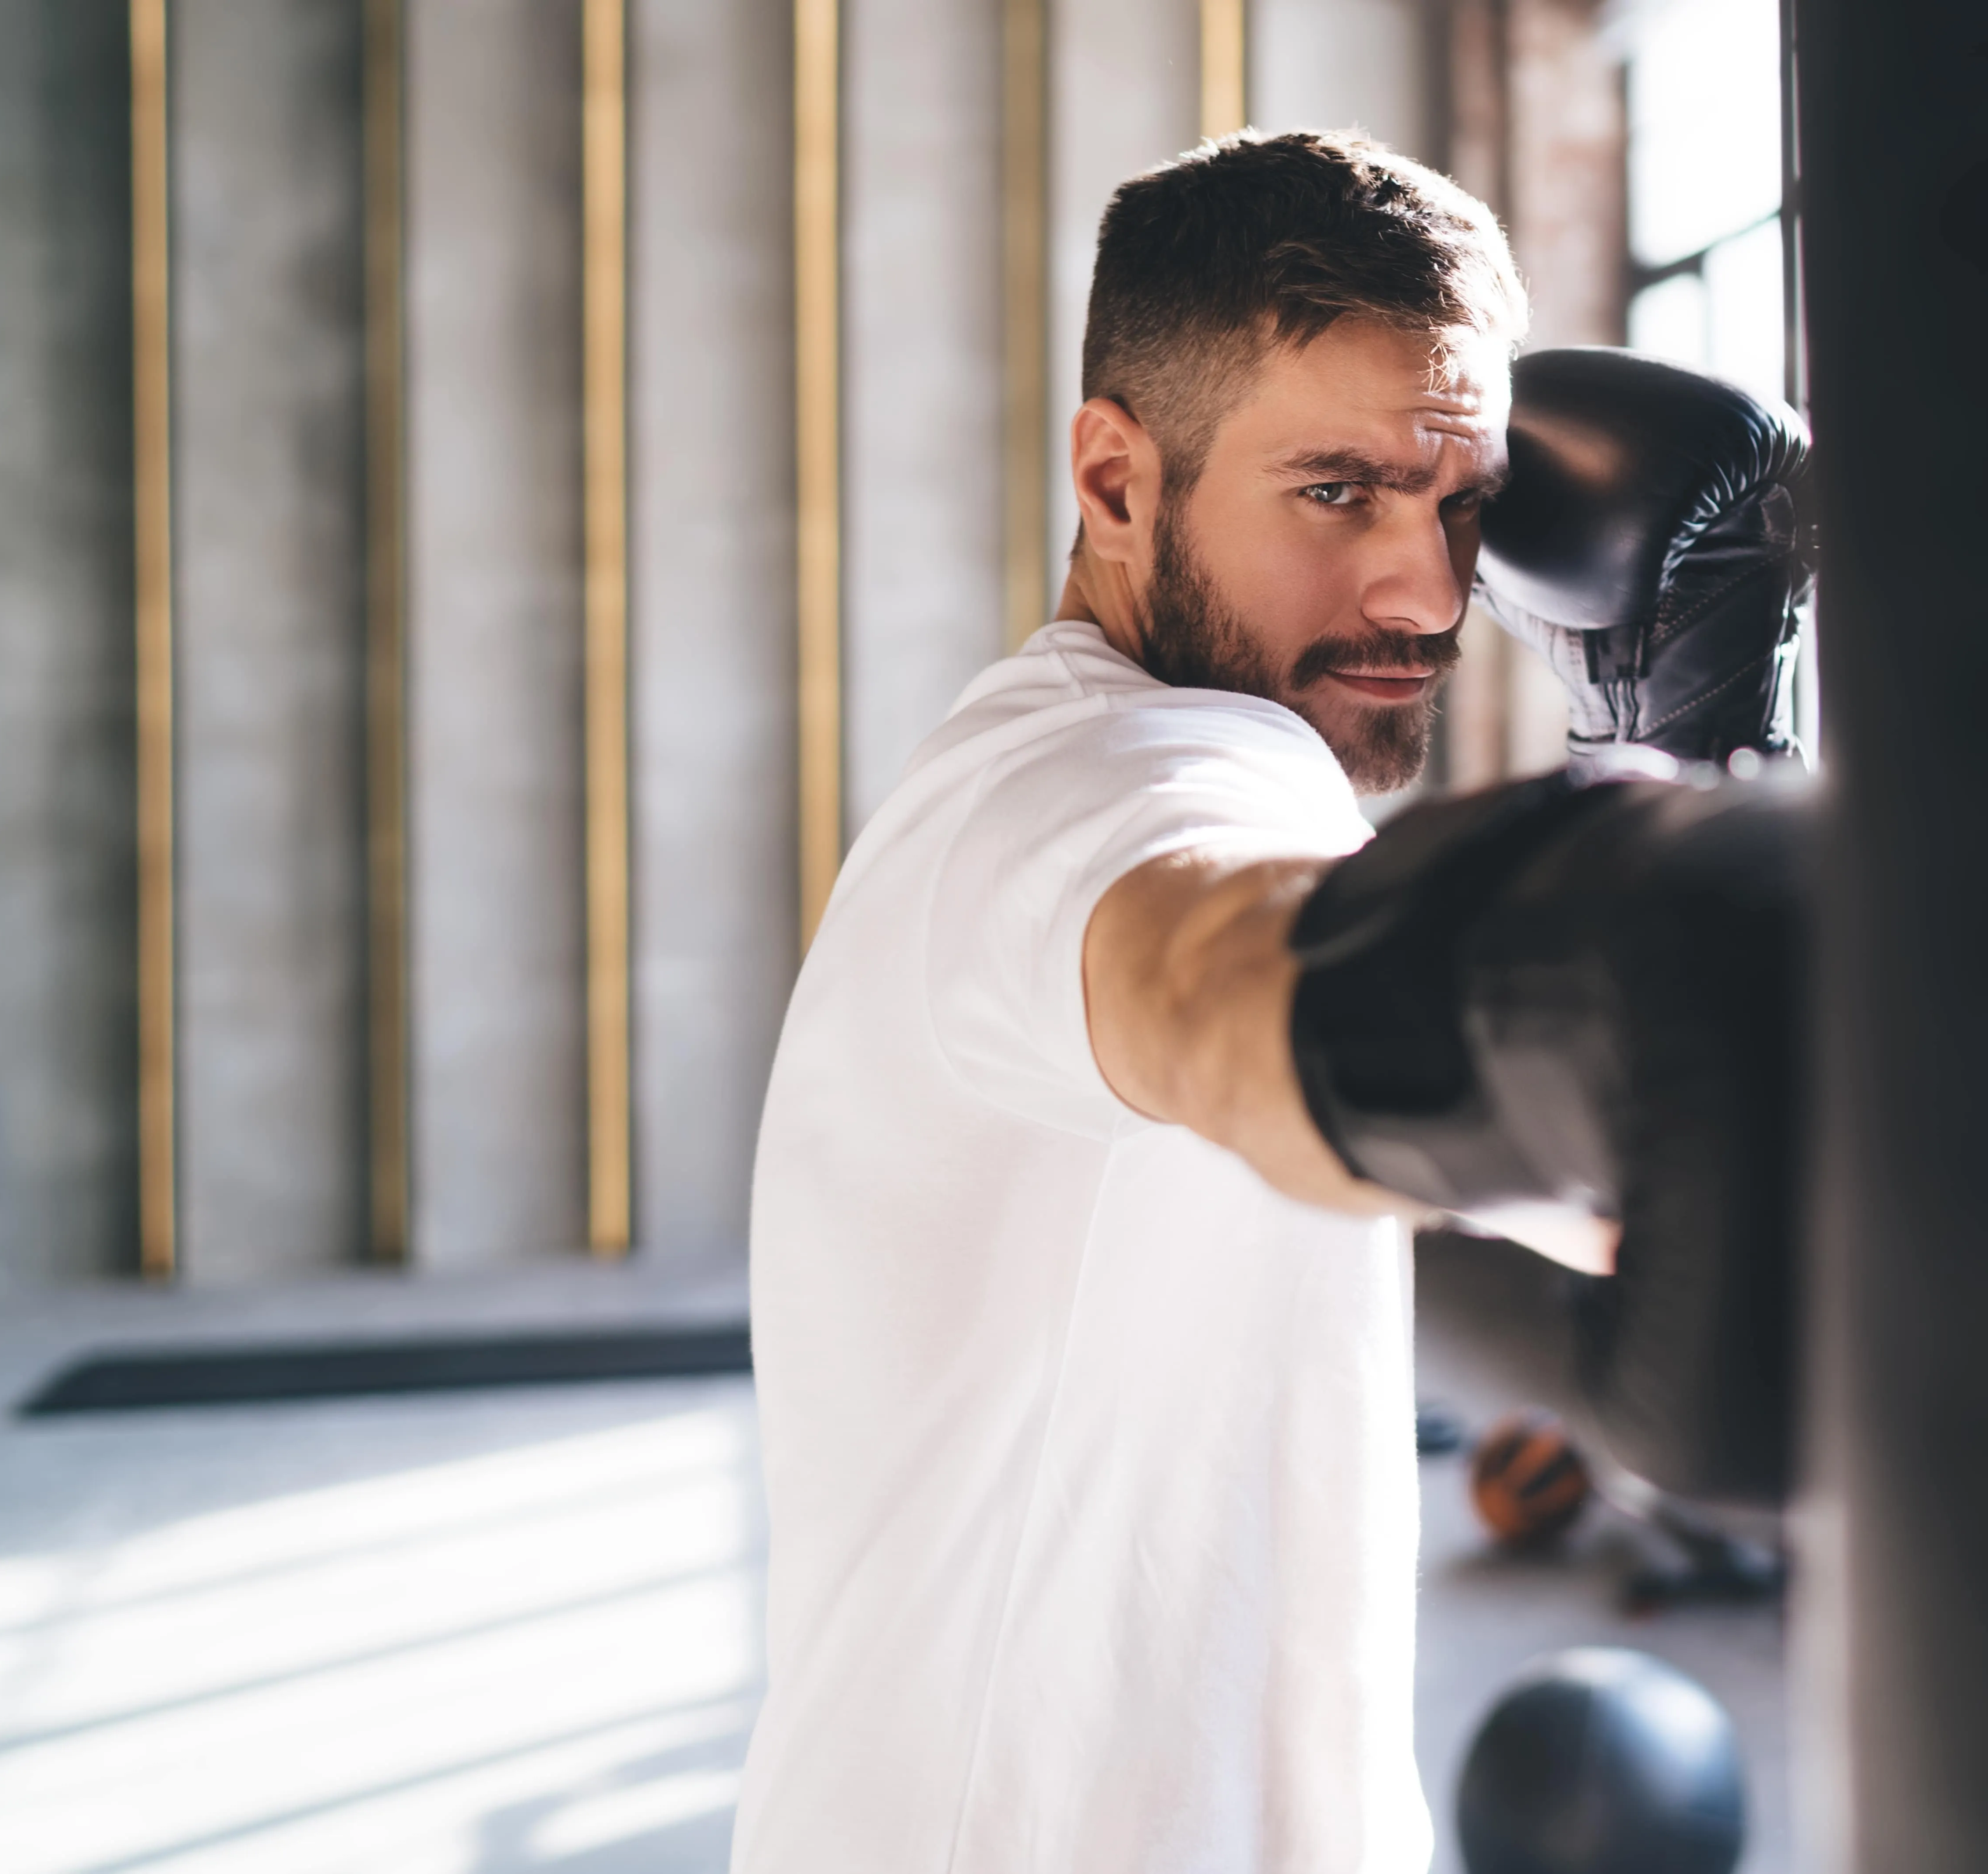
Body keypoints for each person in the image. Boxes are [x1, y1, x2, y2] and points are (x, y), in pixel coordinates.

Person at [730, 131, 1532, 1874]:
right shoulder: (1100, 789)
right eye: (1337, 494)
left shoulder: (1216, 762)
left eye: (1462, 502)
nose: (1425, 593)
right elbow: (1210, 972)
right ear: (1116, 481)